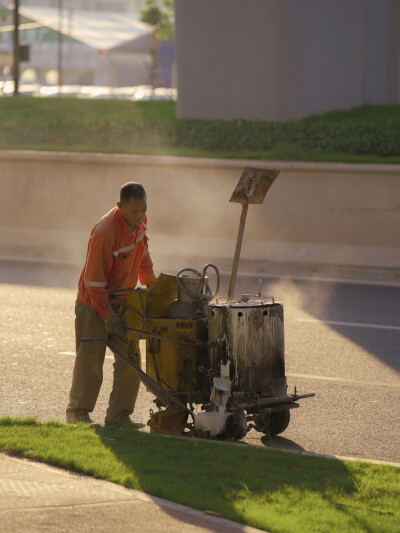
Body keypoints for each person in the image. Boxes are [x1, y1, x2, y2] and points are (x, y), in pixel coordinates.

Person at [66, 181, 157, 426]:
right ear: (120, 206)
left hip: (122, 301)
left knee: (131, 360)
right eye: (135, 211)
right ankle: (77, 414)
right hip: (93, 304)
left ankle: (118, 416)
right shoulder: (105, 232)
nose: (141, 216)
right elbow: (94, 282)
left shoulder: (139, 223)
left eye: (144, 210)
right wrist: (107, 316)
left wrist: (154, 288)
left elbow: (143, 258)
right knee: (91, 360)